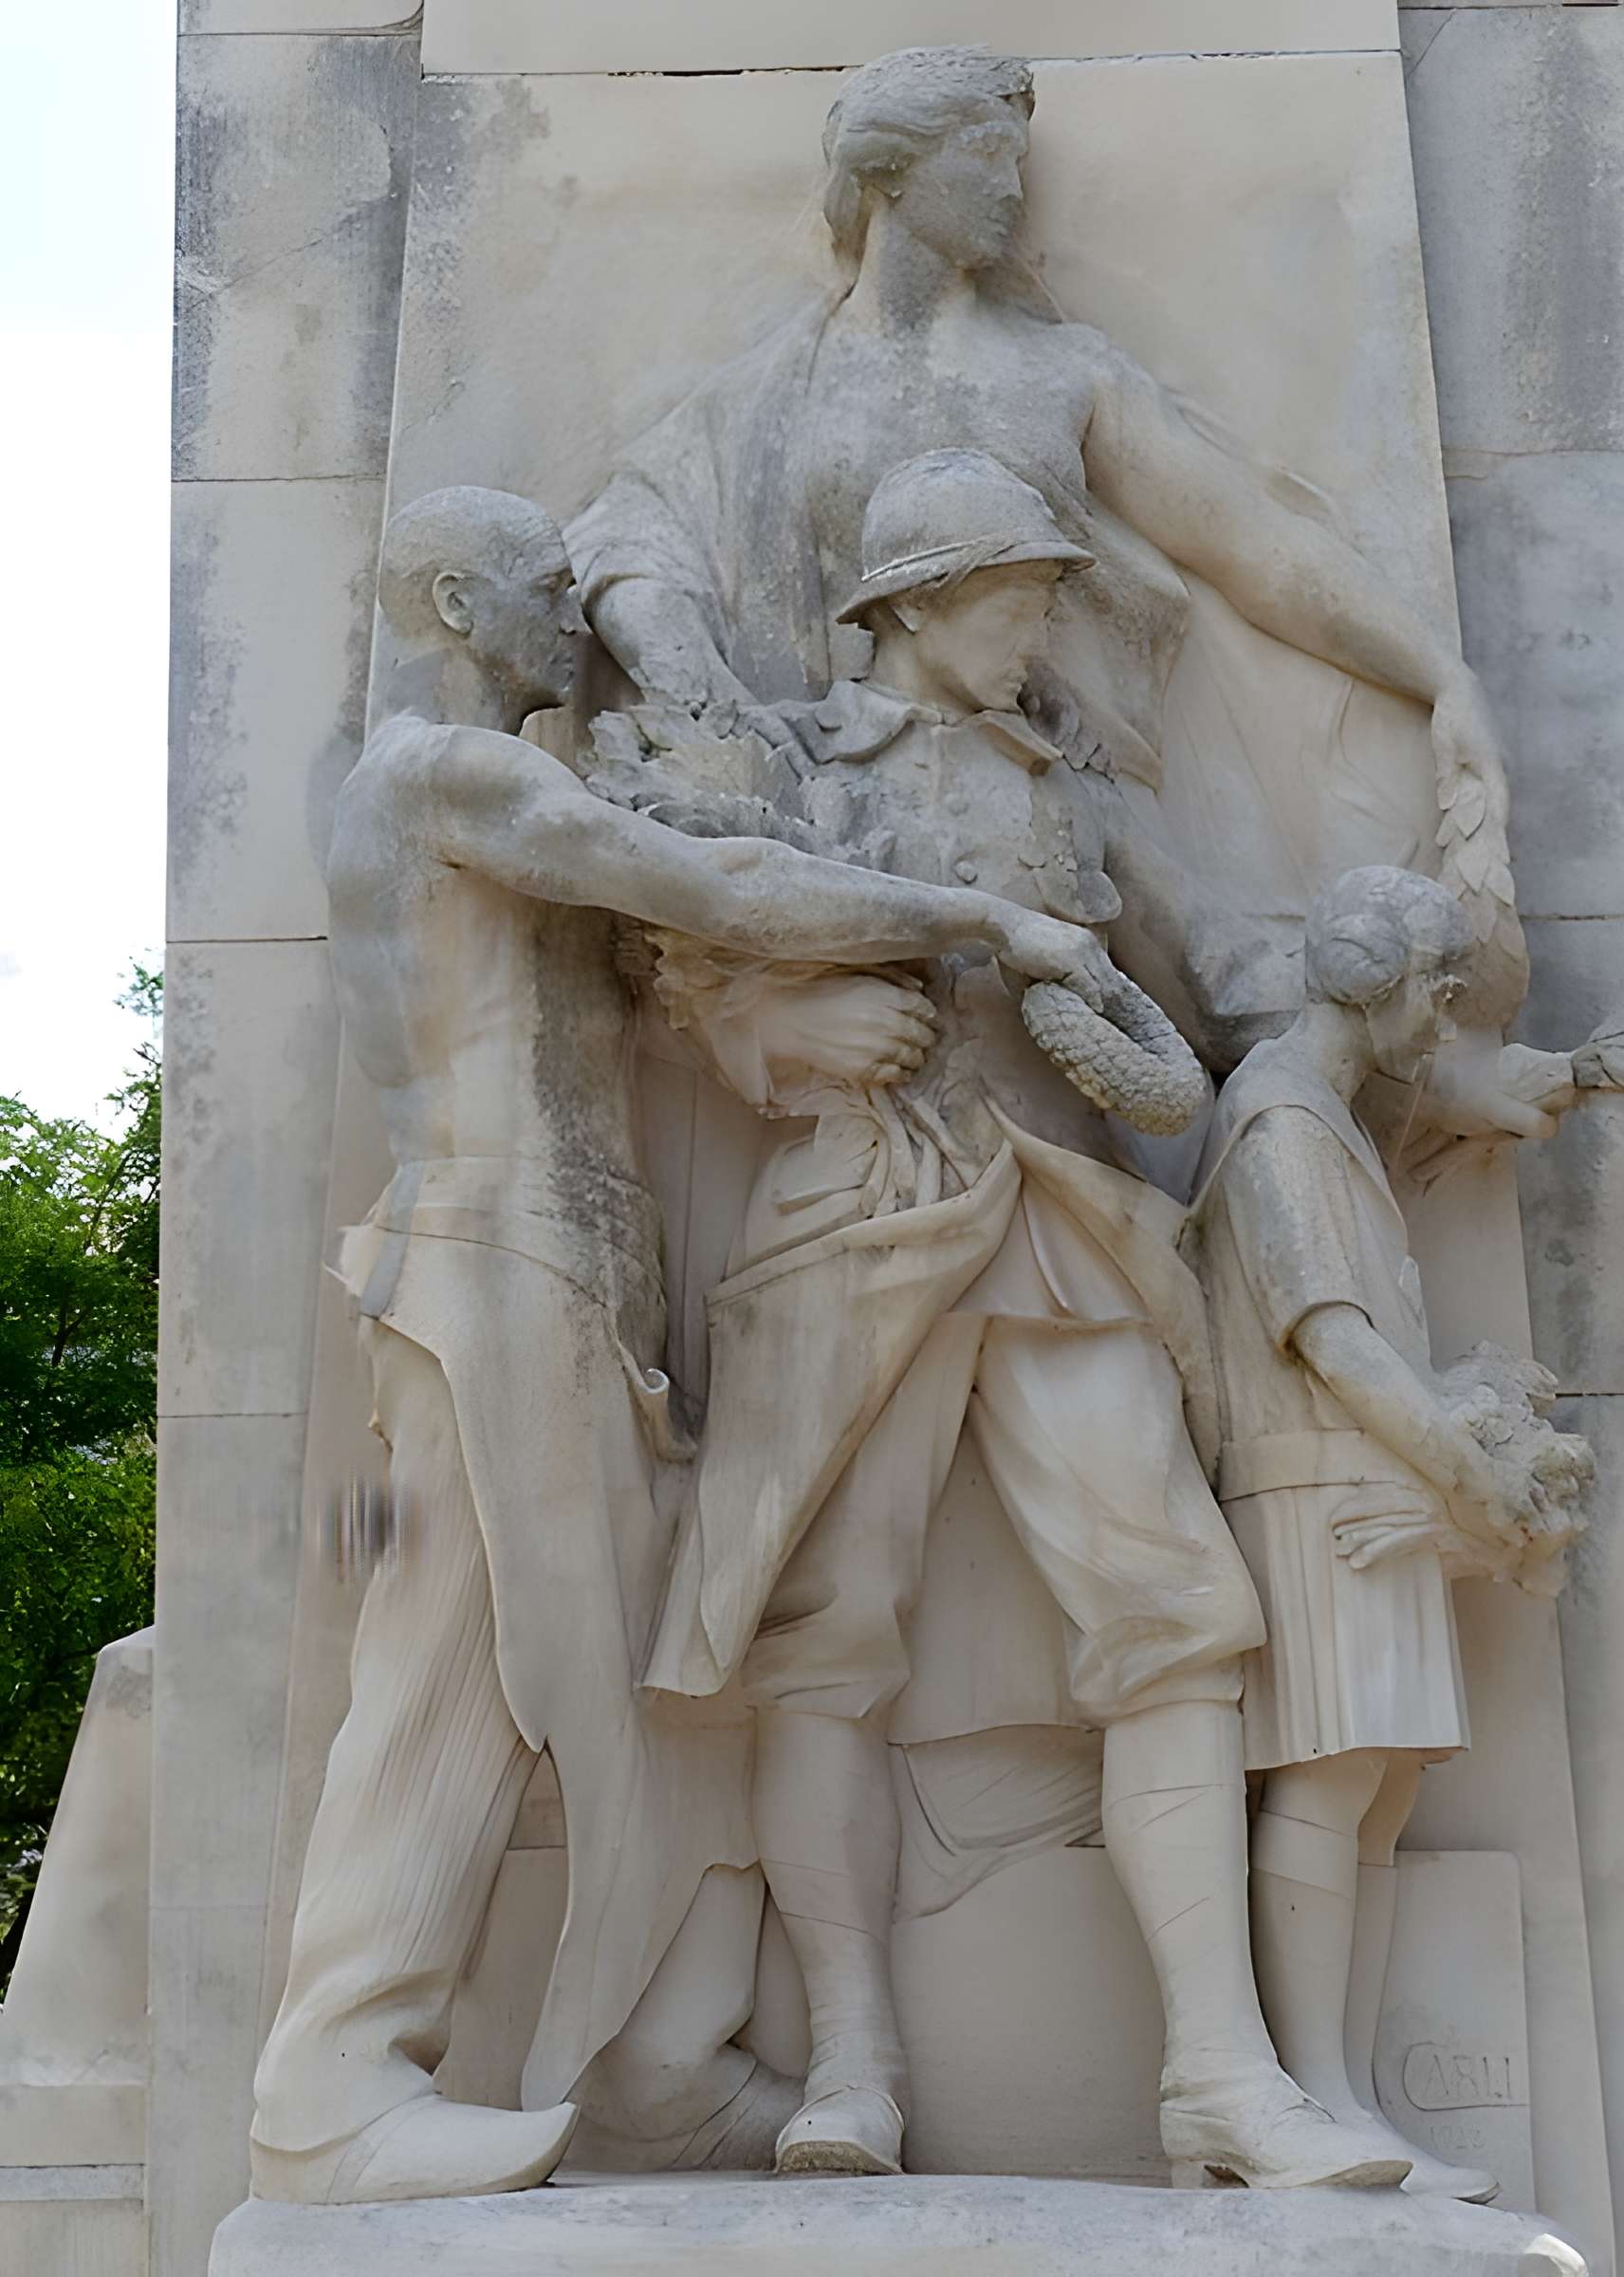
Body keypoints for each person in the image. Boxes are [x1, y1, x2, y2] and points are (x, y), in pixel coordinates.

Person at [249, 484, 1115, 2205]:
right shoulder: (452, 776)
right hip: (497, 1256)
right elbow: (707, 882)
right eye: (538, 583)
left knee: (658, 1682)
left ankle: (649, 2073)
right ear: (449, 597)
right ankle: (332, 2086)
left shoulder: (504, 794)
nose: (570, 609)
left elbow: (675, 950)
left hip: (569, 1277)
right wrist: (984, 921)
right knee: (456, 1681)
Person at [638, 452, 1408, 2194]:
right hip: (854, 1217)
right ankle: (850, 2065)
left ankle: (1218, 2073)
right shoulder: (800, 776)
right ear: (912, 602)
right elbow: (688, 966)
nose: (1036, 622)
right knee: (827, 1638)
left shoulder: (1078, 798)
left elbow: (1236, 979)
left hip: (1058, 1223)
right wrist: (781, 1036)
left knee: (1179, 1619)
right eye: (1010, 592)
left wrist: (1432, 986)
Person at [568, 43, 1524, 1017]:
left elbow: (1254, 548)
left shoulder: (1063, 374)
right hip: (842, 816)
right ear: (892, 172)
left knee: (1211, 1014)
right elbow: (630, 542)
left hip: (1059, 803)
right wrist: (719, 707)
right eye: (987, 155)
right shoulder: (773, 393)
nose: (1014, 186)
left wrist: (1439, 676)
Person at [1193, 867, 1591, 2202]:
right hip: (1323, 1490)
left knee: (1381, 1788)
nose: (1443, 1014)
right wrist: (1469, 1474)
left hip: (1377, 1493)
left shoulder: (1335, 1121)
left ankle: (1342, 2096)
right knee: (1336, 1775)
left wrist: (1465, 1426)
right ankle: (1310, 2094)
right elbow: (1335, 1340)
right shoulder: (1281, 1121)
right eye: (1435, 985)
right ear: (1371, 978)